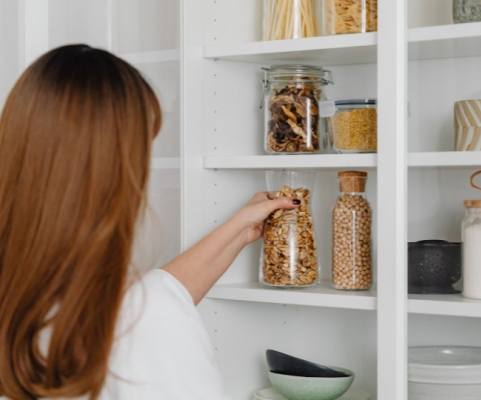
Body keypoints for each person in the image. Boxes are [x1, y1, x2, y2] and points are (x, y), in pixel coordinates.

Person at [0, 45, 300, 400]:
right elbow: (143, 309)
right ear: (116, 165)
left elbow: (147, 297)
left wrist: (237, 230)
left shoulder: (20, 293)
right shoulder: (146, 320)